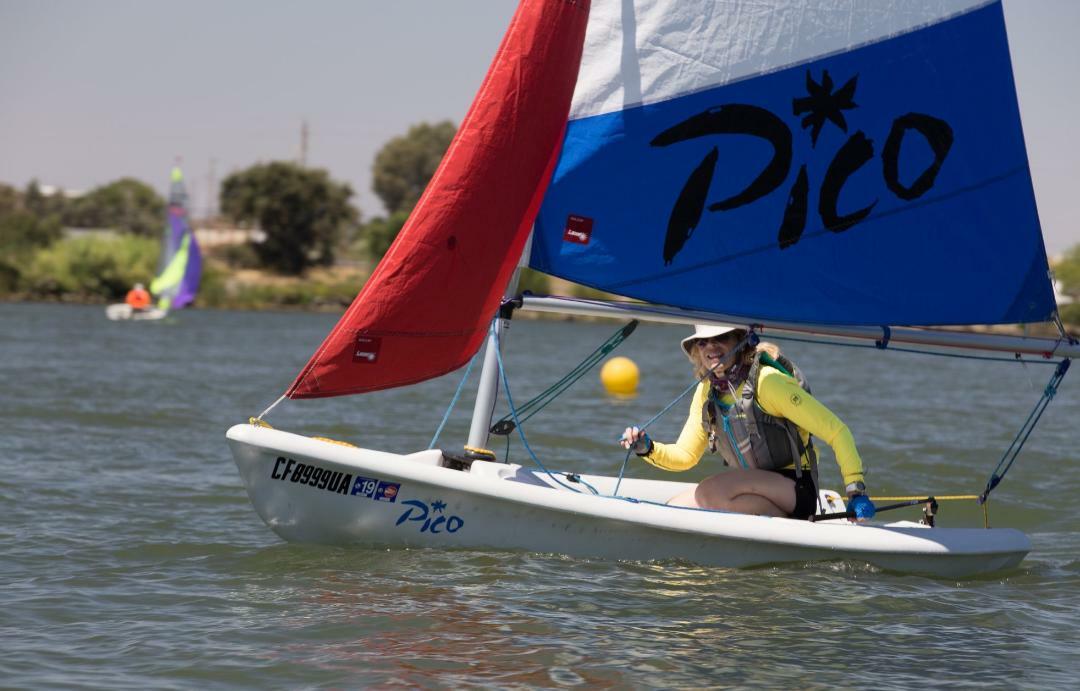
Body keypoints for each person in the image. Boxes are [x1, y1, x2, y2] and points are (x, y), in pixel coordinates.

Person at [620, 323, 875, 521]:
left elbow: (837, 431)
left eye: (721, 338)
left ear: (740, 341)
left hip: (796, 489)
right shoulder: (706, 391)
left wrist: (856, 492)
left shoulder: (768, 382)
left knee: (709, 491)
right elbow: (685, 456)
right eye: (702, 341)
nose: (711, 347)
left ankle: (792, 527)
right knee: (675, 506)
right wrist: (647, 448)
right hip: (752, 488)